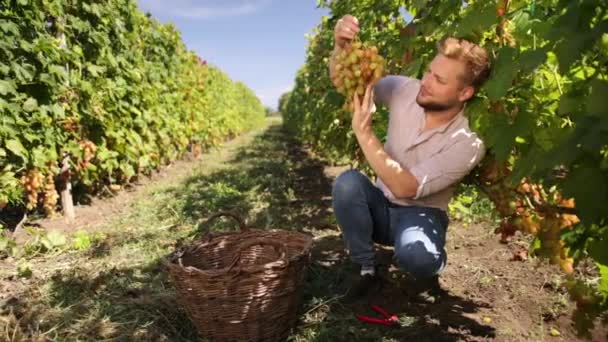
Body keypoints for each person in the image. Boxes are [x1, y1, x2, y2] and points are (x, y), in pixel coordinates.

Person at [329, 15, 491, 301]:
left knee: (417, 256)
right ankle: (365, 268)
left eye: (438, 79)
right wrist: (341, 48)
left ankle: (429, 270)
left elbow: (406, 187)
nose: (425, 82)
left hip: (423, 215)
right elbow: (349, 83)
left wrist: (365, 134)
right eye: (429, 71)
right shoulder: (406, 89)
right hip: (379, 206)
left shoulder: (469, 142)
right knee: (347, 184)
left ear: (465, 92)